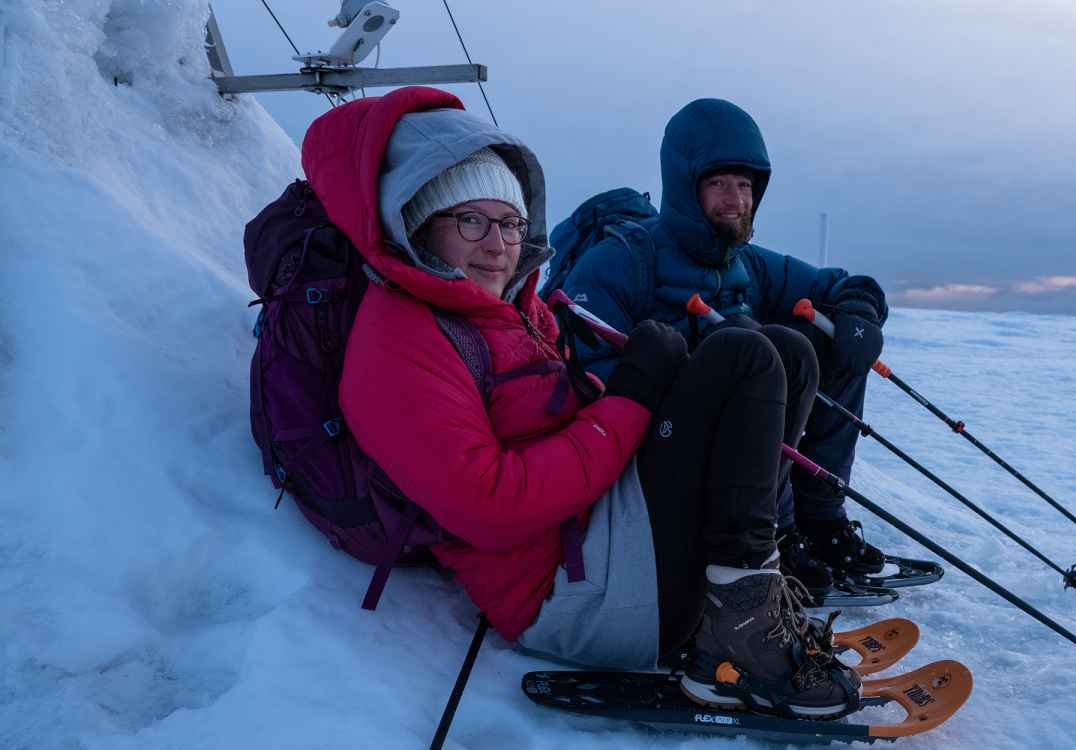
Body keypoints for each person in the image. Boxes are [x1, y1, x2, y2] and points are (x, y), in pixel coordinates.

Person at [300, 87, 859, 716]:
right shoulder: (399, 343)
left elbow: (560, 410)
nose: (498, 245)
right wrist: (631, 399)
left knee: (786, 350)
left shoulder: (506, 308)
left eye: (510, 223)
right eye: (472, 221)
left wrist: (644, 384)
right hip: (570, 596)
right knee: (744, 355)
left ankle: (744, 595)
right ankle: (737, 632)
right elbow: (490, 506)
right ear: (418, 226)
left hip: (602, 535)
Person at [561, 99, 890, 593]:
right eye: (717, 184)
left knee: (823, 341)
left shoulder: (748, 263)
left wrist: (861, 311)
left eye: (745, 184)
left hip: (740, 451)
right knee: (767, 347)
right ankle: (773, 533)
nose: (735, 199)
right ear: (684, 187)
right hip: (659, 453)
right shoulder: (620, 262)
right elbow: (591, 381)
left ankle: (818, 519)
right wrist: (703, 371)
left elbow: (838, 285)